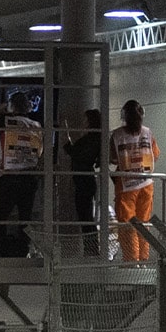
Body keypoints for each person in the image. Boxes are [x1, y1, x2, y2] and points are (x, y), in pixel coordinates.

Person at [0, 90, 43, 256]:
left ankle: (0, 249)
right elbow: (41, 152)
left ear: (11, 106)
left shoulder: (5, 121)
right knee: (25, 217)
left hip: (9, 176)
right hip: (30, 177)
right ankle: (23, 250)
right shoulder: (36, 126)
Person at [111, 99, 160, 261]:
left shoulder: (117, 135)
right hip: (146, 185)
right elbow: (155, 155)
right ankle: (144, 259)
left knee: (127, 224)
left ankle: (132, 261)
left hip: (126, 186)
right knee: (143, 222)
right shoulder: (148, 133)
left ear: (124, 116)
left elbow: (112, 158)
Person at [64, 108, 105, 255]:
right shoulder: (95, 139)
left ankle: (92, 249)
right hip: (86, 180)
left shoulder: (91, 139)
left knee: (86, 217)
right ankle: (91, 249)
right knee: (86, 216)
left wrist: (69, 146)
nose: (83, 122)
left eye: (85, 119)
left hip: (84, 181)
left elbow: (78, 155)